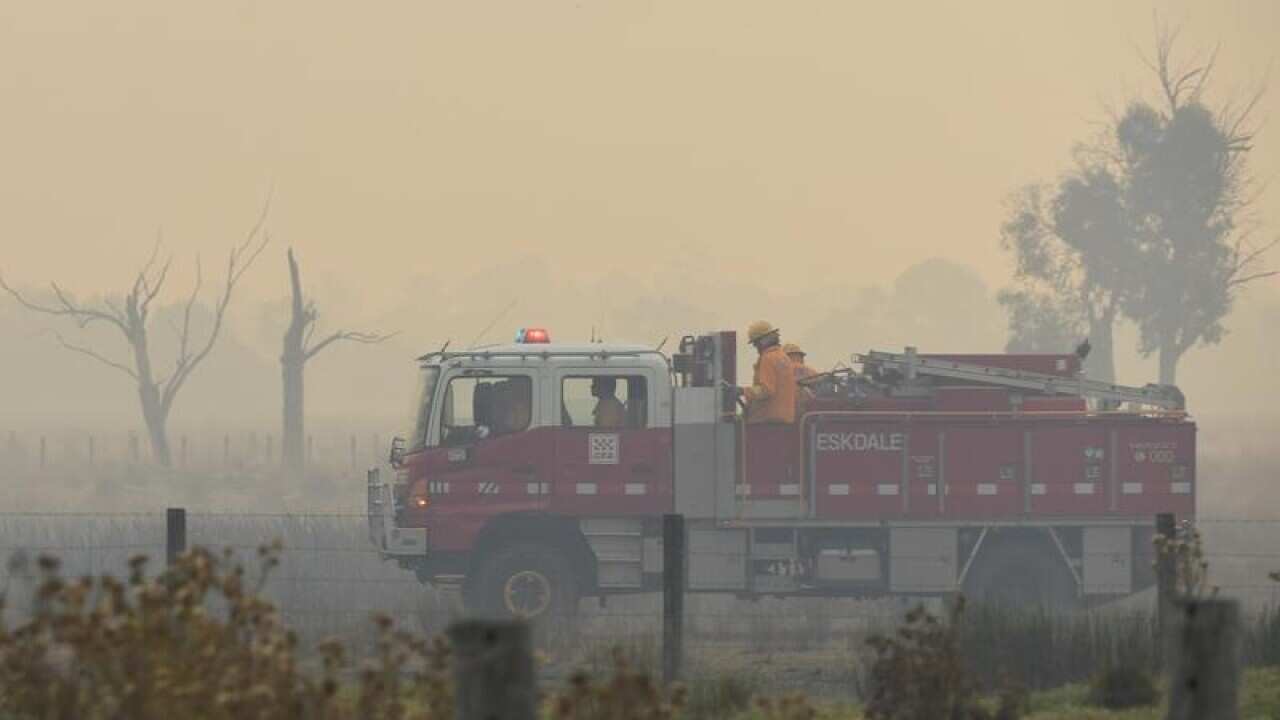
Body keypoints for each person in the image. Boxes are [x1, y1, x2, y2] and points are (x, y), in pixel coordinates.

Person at [741, 320, 797, 424]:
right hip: (785, 419)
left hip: (767, 419)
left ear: (763, 341)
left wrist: (742, 391)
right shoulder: (784, 357)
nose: (756, 347)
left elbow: (766, 390)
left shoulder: (768, 358)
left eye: (756, 343)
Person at [784, 343, 819, 415]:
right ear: (800, 356)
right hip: (809, 412)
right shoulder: (812, 371)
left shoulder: (782, 371)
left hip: (788, 411)